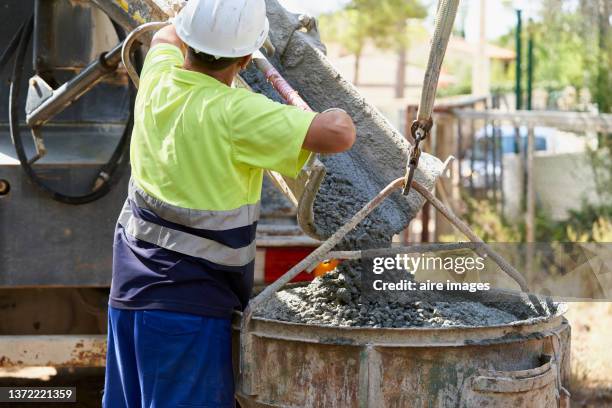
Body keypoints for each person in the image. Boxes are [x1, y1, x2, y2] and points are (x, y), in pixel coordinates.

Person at [102, 0, 356, 406]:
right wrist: (329, 101)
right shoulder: (239, 113)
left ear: (187, 41)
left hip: (129, 299)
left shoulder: (158, 78)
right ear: (244, 58)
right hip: (189, 312)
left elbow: (164, 34)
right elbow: (339, 133)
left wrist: (188, 17)